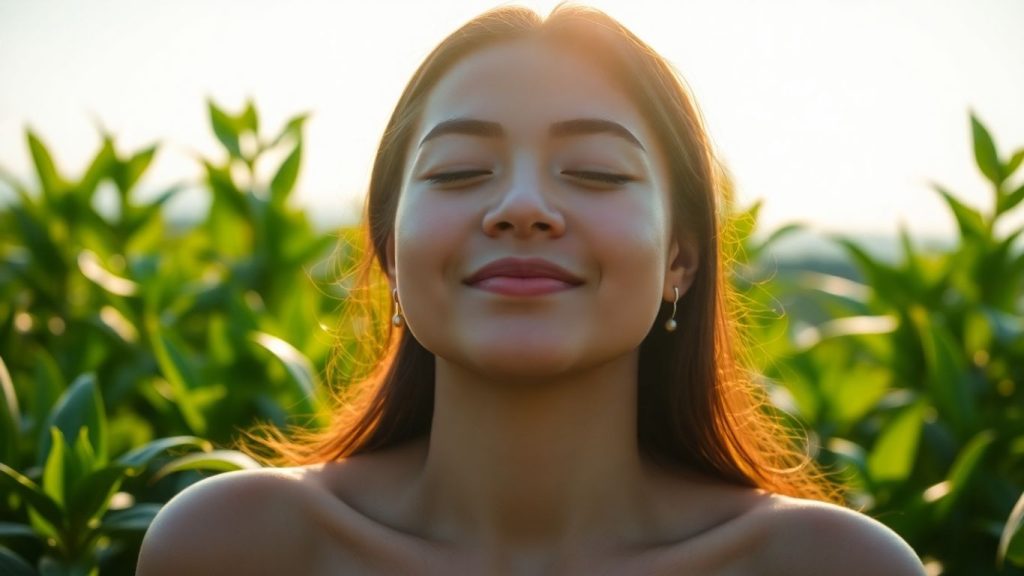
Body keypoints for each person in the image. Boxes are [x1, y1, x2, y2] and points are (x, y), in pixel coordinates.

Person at [137, 4, 927, 574]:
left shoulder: (827, 565)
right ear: (388, 249)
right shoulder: (234, 548)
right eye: (459, 172)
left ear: (681, 256)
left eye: (594, 172)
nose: (521, 208)